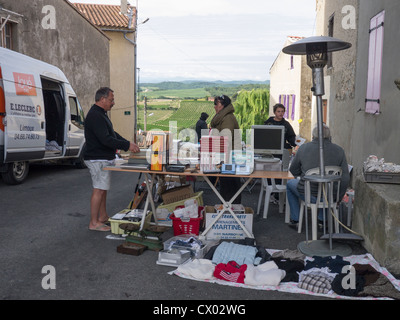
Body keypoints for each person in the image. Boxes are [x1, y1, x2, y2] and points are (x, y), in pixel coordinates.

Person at [84, 87, 140, 232]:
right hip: (97, 159)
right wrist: (127, 145)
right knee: (99, 190)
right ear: (102, 99)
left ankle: (102, 217)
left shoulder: (101, 114)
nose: (113, 103)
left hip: (102, 158)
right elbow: (106, 139)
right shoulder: (95, 115)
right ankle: (93, 222)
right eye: (111, 99)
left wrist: (128, 143)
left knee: (103, 189)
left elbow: (112, 133)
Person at [286, 124, 350, 228]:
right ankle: (322, 220)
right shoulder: (339, 150)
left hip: (309, 194)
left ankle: (296, 219)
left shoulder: (303, 148)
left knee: (290, 184)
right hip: (330, 196)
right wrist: (338, 197)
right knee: (325, 188)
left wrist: (305, 173)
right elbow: (345, 177)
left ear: (313, 136)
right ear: (329, 136)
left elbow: (293, 171)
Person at [210, 95, 242, 204]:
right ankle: (228, 210)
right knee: (227, 187)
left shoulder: (227, 118)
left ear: (223, 105)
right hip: (225, 158)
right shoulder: (223, 117)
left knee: (229, 187)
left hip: (229, 159)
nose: (214, 106)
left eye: (216, 104)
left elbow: (225, 141)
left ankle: (230, 213)